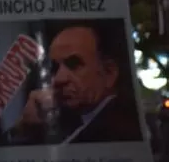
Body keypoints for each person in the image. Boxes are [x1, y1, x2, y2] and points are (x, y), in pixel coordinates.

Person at [9, 23, 142, 145]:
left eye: (74, 64)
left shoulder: (118, 131)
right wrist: (23, 128)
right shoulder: (77, 123)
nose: (59, 79)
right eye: (54, 68)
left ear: (109, 73)